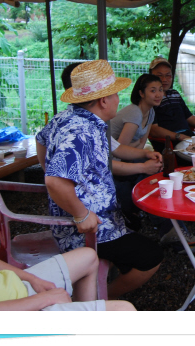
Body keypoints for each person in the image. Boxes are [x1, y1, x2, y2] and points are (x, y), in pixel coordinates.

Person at [0, 127, 135, 311]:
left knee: (88, 256)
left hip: (8, 288)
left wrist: (32, 278)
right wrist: (46, 298)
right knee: (124, 310)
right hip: (5, 312)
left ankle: (80, 325)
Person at [37, 60, 163, 299]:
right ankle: (100, 300)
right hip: (88, 229)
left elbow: (40, 140)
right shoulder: (82, 133)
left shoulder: (69, 117)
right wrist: (81, 214)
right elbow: (55, 181)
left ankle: (97, 286)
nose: (118, 99)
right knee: (152, 256)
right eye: (115, 94)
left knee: (134, 225)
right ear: (103, 100)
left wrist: (48, 168)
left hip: (98, 218)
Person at [110, 73, 195, 253]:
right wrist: (144, 162)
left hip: (126, 160)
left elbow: (140, 145)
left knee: (161, 175)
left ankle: (172, 230)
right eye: (153, 90)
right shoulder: (134, 112)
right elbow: (120, 150)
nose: (159, 94)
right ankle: (174, 234)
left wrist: (148, 156)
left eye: (160, 90)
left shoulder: (150, 112)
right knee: (158, 182)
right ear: (141, 93)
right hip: (115, 168)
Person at [147, 57, 195, 152]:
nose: (164, 79)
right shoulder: (150, 99)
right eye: (159, 75)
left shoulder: (174, 94)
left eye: (168, 75)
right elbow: (153, 130)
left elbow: (190, 118)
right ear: (151, 77)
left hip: (189, 140)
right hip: (171, 145)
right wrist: (179, 136)